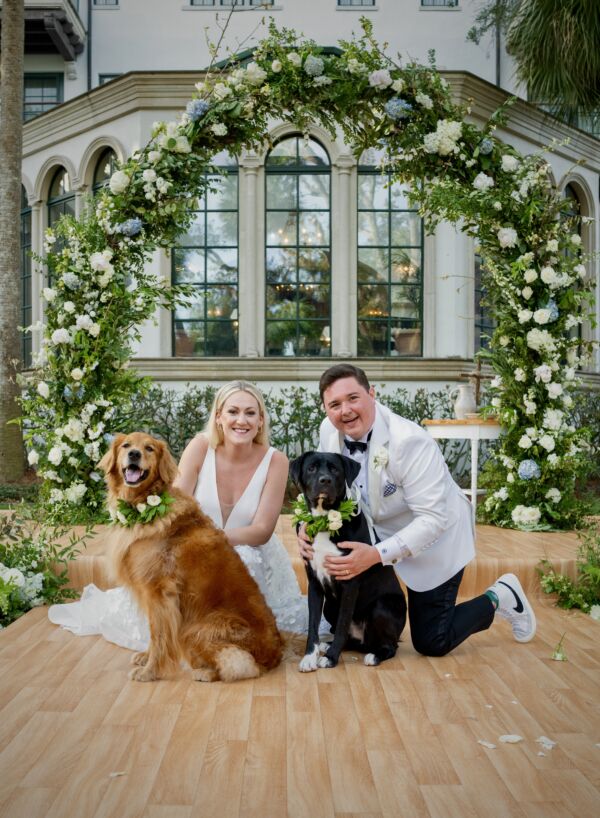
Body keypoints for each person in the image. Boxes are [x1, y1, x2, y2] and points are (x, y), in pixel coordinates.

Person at [297, 363, 536, 657]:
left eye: (353, 398)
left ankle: (500, 595)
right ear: (325, 409)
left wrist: (375, 555)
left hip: (435, 538)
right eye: (334, 404)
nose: (344, 410)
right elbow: (331, 493)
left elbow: (433, 520)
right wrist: (308, 528)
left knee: (432, 641)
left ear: (372, 393)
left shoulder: (410, 442)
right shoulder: (329, 431)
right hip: (378, 534)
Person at [49, 380, 309, 649]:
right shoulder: (200, 447)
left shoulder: (276, 460)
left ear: (260, 420)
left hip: (247, 548)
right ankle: (186, 635)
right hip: (191, 547)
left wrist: (209, 542)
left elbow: (262, 530)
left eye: (250, 413)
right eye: (232, 412)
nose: (241, 420)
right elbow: (173, 504)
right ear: (218, 417)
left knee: (244, 561)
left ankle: (220, 634)